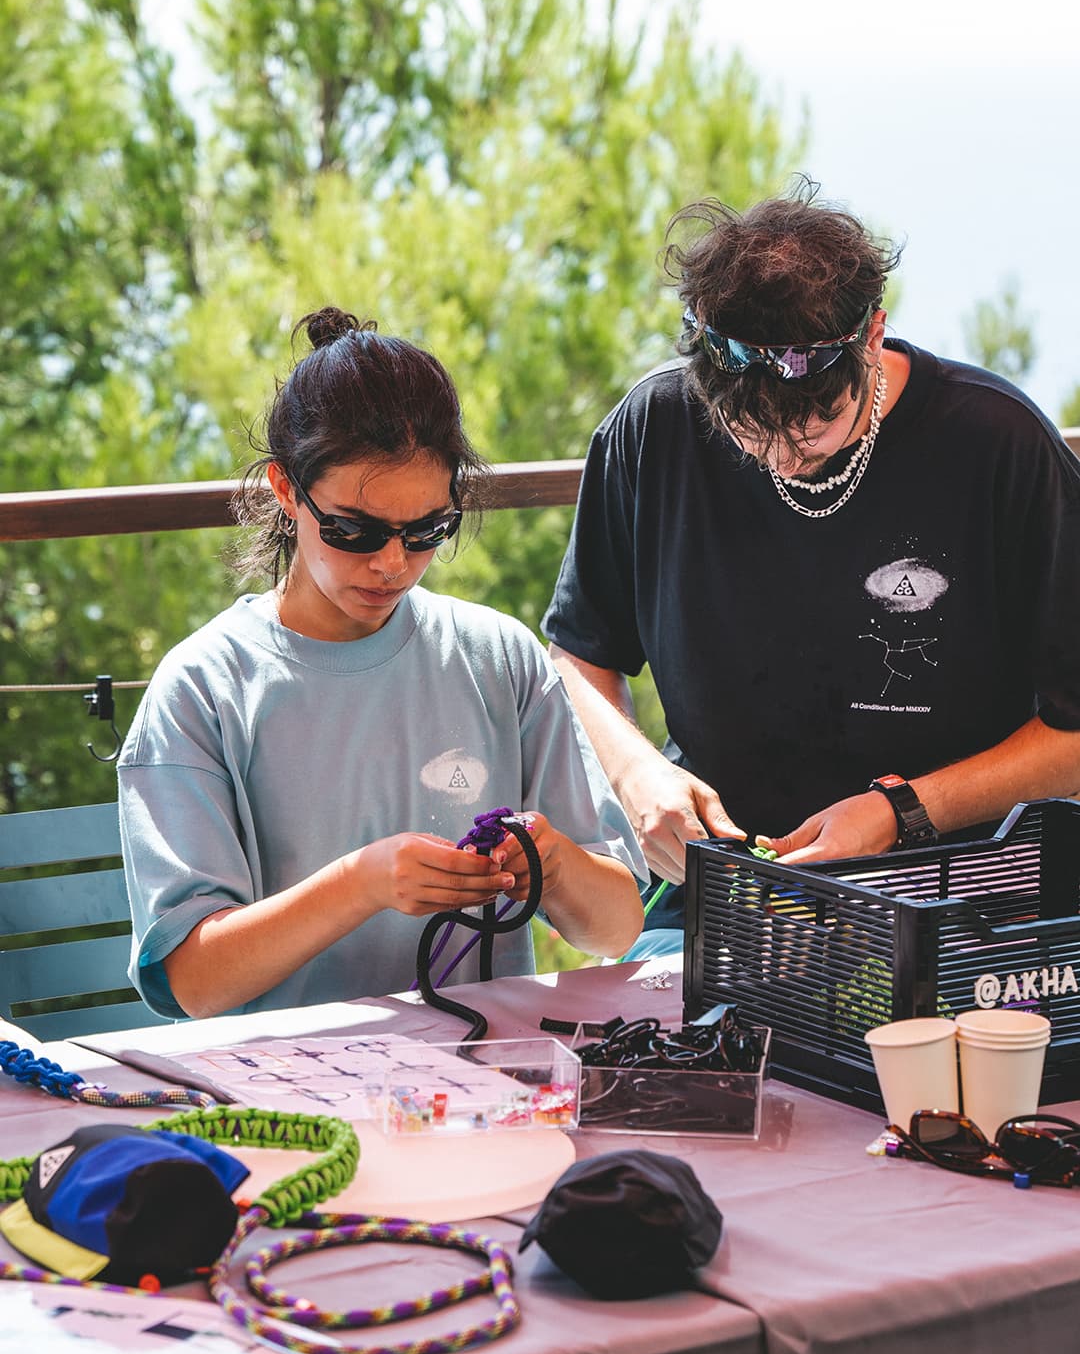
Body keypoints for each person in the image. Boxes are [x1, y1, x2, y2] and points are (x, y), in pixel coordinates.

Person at [543, 182, 1080, 950]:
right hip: (725, 882)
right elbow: (576, 655)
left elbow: (1073, 739)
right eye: (746, 431)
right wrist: (634, 772)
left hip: (954, 885)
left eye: (817, 427)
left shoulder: (1000, 445)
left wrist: (902, 811)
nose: (782, 456)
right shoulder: (652, 428)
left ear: (873, 337)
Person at [118, 307, 644, 1018]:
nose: (393, 563)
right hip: (289, 1092)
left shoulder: (498, 657)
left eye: (427, 530)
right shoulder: (204, 690)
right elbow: (190, 982)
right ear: (284, 488)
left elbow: (616, 927)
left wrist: (553, 866)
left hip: (485, 1085)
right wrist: (358, 884)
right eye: (354, 530)